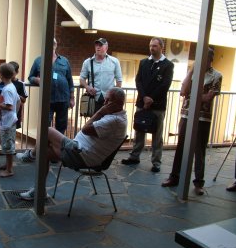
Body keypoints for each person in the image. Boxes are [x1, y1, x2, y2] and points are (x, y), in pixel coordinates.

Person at [16, 87, 127, 200]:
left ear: (119, 103)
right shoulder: (115, 116)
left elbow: (85, 129)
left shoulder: (114, 121)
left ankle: (30, 155)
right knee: (44, 151)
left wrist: (100, 112)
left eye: (108, 100)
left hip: (82, 155)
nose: (105, 103)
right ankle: (39, 190)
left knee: (48, 131)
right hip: (80, 151)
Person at [162, 48, 222, 195]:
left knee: (199, 150)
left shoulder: (216, 75)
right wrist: (191, 71)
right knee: (181, 147)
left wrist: (192, 95)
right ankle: (174, 177)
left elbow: (208, 98)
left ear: (210, 59)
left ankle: (199, 182)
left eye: (204, 57)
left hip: (202, 118)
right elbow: (183, 91)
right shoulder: (193, 72)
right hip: (186, 115)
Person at [122, 37, 174, 173]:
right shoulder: (144, 62)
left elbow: (165, 85)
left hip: (157, 105)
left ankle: (156, 162)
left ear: (161, 47)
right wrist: (144, 97)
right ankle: (134, 156)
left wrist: (151, 98)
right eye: (151, 46)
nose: (152, 48)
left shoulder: (168, 65)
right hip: (142, 102)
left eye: (155, 46)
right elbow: (138, 80)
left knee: (157, 135)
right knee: (139, 130)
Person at [28, 38, 74, 134]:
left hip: (63, 98)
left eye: (53, 43)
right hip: (47, 99)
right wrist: (37, 80)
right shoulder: (38, 61)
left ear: (56, 45)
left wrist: (72, 98)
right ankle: (46, 147)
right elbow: (30, 77)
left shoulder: (64, 61)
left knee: (61, 126)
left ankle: (57, 147)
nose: (51, 45)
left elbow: (70, 80)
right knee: (45, 125)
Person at [0, 61, 28, 167]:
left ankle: (9, 169)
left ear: (1, 74)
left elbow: (10, 105)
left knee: (8, 142)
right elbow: (17, 101)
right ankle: (7, 165)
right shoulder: (8, 86)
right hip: (7, 118)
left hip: (8, 119)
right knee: (6, 140)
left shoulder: (9, 89)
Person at [80, 38, 122, 113]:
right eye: (96, 45)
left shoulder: (114, 61)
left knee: (108, 122)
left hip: (109, 100)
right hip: (94, 98)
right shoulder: (88, 62)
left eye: (100, 45)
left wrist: (114, 96)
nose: (98, 47)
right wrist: (87, 87)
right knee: (94, 123)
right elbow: (82, 79)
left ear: (106, 48)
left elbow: (119, 81)